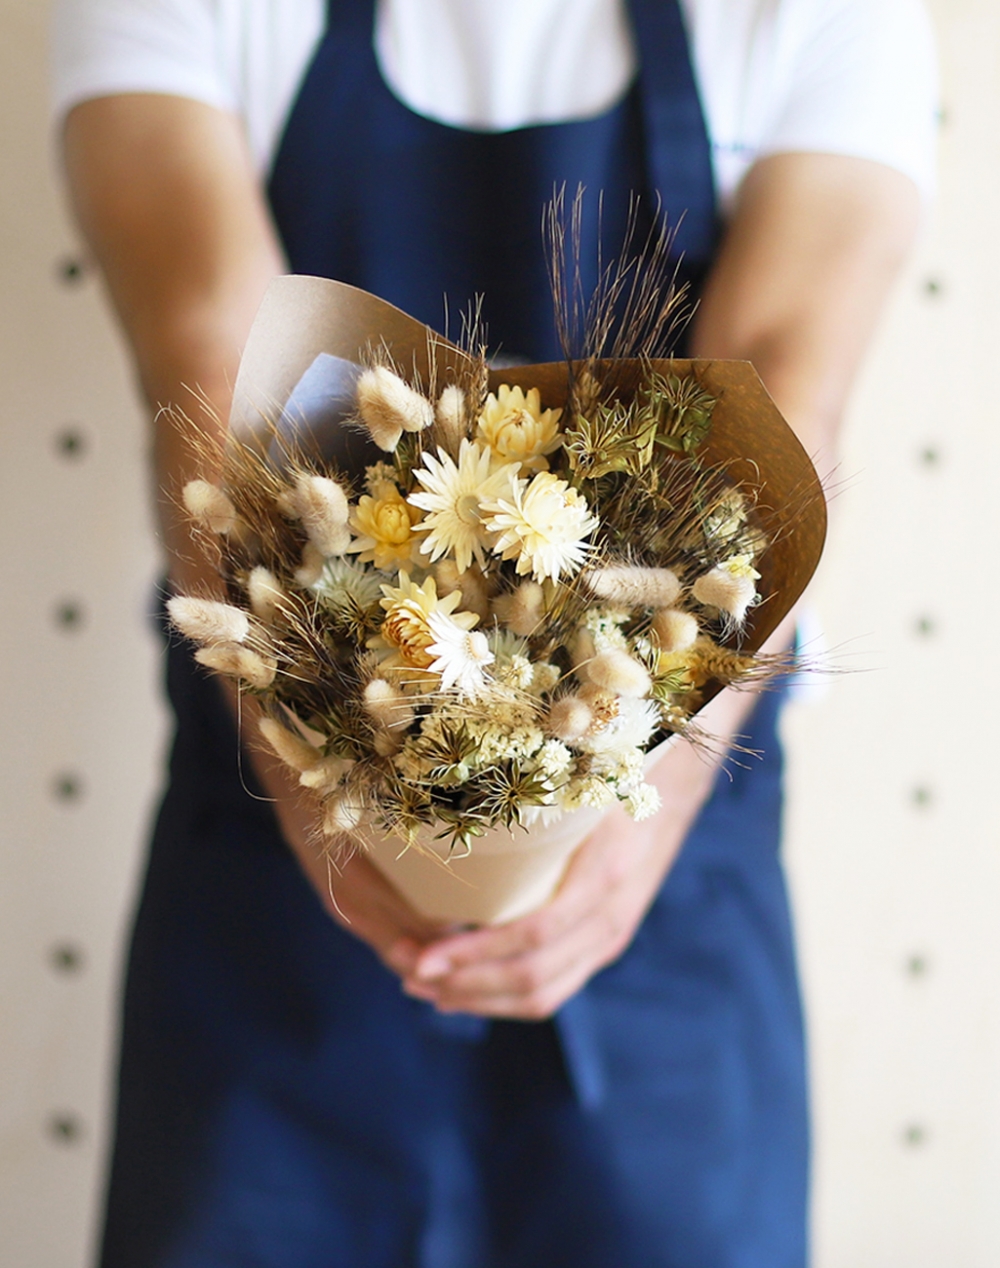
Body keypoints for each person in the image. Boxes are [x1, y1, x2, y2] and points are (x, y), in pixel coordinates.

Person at [53, 1, 937, 1264]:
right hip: (272, 908)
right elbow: (210, 352)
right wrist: (324, 791)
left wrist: (647, 800)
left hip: (663, 903)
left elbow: (785, 389)